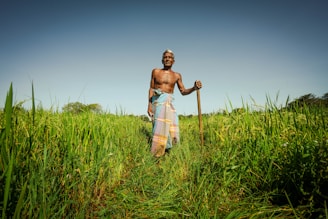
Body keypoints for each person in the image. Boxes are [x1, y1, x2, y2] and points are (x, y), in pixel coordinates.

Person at [147, 49, 202, 157]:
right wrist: (149, 106)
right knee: (158, 128)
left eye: (170, 57)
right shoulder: (155, 72)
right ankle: (157, 155)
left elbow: (183, 91)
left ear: (173, 61)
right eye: (165, 57)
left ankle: (169, 152)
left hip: (168, 103)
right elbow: (151, 89)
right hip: (157, 103)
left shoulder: (177, 75)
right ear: (162, 60)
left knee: (172, 127)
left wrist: (194, 88)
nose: (167, 59)